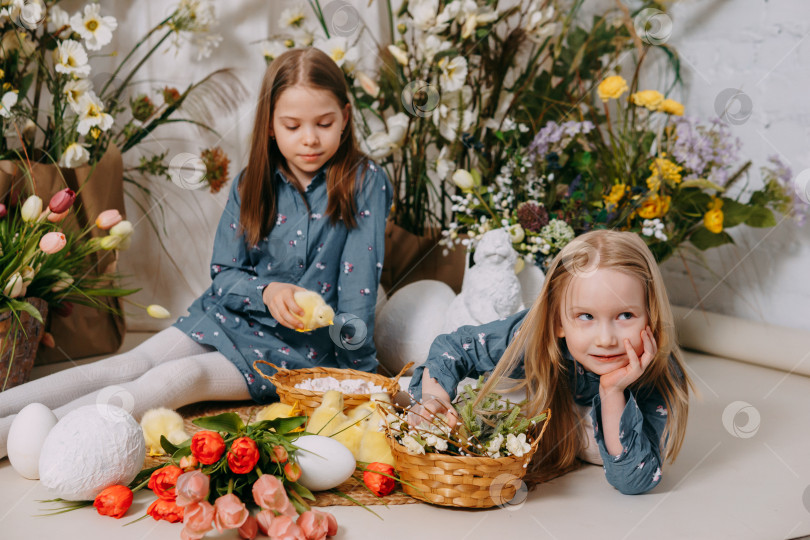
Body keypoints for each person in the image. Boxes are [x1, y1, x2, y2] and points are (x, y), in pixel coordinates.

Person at [0, 47, 393, 458]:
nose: (310, 138)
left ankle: (21, 438)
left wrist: (361, 382)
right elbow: (225, 275)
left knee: (177, 378)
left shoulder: (365, 182)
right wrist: (266, 292)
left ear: (345, 118)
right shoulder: (251, 182)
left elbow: (358, 292)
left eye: (324, 123)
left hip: (291, 351)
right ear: (271, 127)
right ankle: (5, 416)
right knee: (127, 366)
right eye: (293, 125)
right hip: (223, 317)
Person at [409, 230, 693, 495]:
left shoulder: (659, 370)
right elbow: (454, 347)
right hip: (538, 386)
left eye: (625, 316)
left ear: (651, 315)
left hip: (594, 415)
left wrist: (612, 392)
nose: (606, 339)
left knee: (601, 440)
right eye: (586, 316)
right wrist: (435, 400)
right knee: (486, 395)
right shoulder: (533, 335)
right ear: (558, 321)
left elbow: (634, 480)